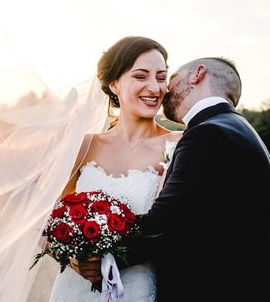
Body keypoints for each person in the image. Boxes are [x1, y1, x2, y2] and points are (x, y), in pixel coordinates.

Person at [76, 57, 270, 301]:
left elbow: (165, 224)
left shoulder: (207, 133)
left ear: (197, 74)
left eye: (168, 77)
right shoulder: (238, 129)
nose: (163, 89)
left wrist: (94, 255)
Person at [49, 36, 182, 302]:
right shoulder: (85, 145)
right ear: (114, 84)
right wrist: (72, 257)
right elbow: (48, 223)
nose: (154, 87)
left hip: (137, 288)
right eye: (141, 76)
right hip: (74, 290)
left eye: (161, 77)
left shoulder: (178, 145)